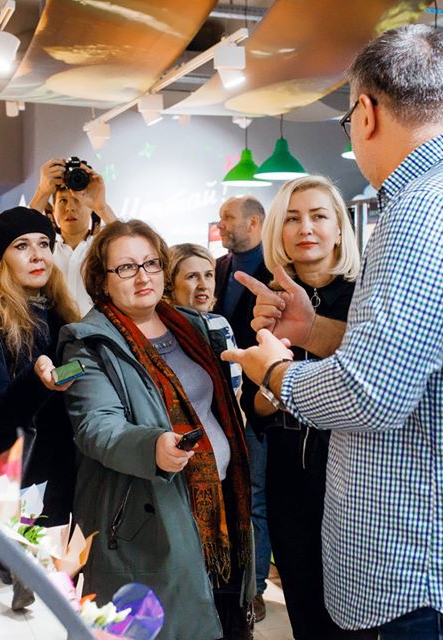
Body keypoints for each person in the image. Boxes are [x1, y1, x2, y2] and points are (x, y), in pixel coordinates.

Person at [223, 25, 443, 639]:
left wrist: (275, 371)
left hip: (441, 578)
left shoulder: (426, 208)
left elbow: (369, 395)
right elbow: (437, 362)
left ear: (365, 113)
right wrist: (316, 330)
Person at [59, 220, 254, 639]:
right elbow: (96, 426)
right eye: (126, 268)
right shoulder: (87, 342)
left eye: (151, 263)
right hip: (149, 515)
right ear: (102, 280)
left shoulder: (192, 326)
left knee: (222, 617)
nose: (143, 276)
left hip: (218, 505)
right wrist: (153, 447)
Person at [240, 175, 359, 639]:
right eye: (292, 218)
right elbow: (255, 408)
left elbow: (374, 373)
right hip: (289, 474)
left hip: (355, 475)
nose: (305, 227)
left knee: (355, 618)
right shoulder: (261, 302)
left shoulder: (368, 296)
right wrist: (274, 384)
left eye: (318, 216)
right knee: (305, 611)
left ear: (339, 228)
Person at [0, 207, 81, 611]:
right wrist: (37, 378)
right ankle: (13, 563)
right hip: (20, 466)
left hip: (66, 460)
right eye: (22, 246)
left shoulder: (65, 316)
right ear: (0, 260)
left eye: (44, 244)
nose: (37, 255)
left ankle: (17, 564)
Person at [213, 196, 272, 622]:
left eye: (227, 218)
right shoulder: (218, 268)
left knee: (255, 495)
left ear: (253, 222)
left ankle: (256, 588)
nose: (220, 225)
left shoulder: (276, 269)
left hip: (260, 401)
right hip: (218, 400)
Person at [29, 158, 118, 316]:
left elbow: (132, 250)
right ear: (53, 209)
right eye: (63, 201)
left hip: (98, 329)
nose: (70, 208)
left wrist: (102, 207)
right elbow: (17, 237)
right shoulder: (43, 250)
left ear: (90, 207)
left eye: (77, 200)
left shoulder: (104, 248)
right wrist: (42, 192)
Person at [166, 243, 241, 394]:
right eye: (192, 276)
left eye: (208, 275)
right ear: (169, 284)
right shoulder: (161, 331)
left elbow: (237, 389)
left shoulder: (220, 323)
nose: (203, 285)